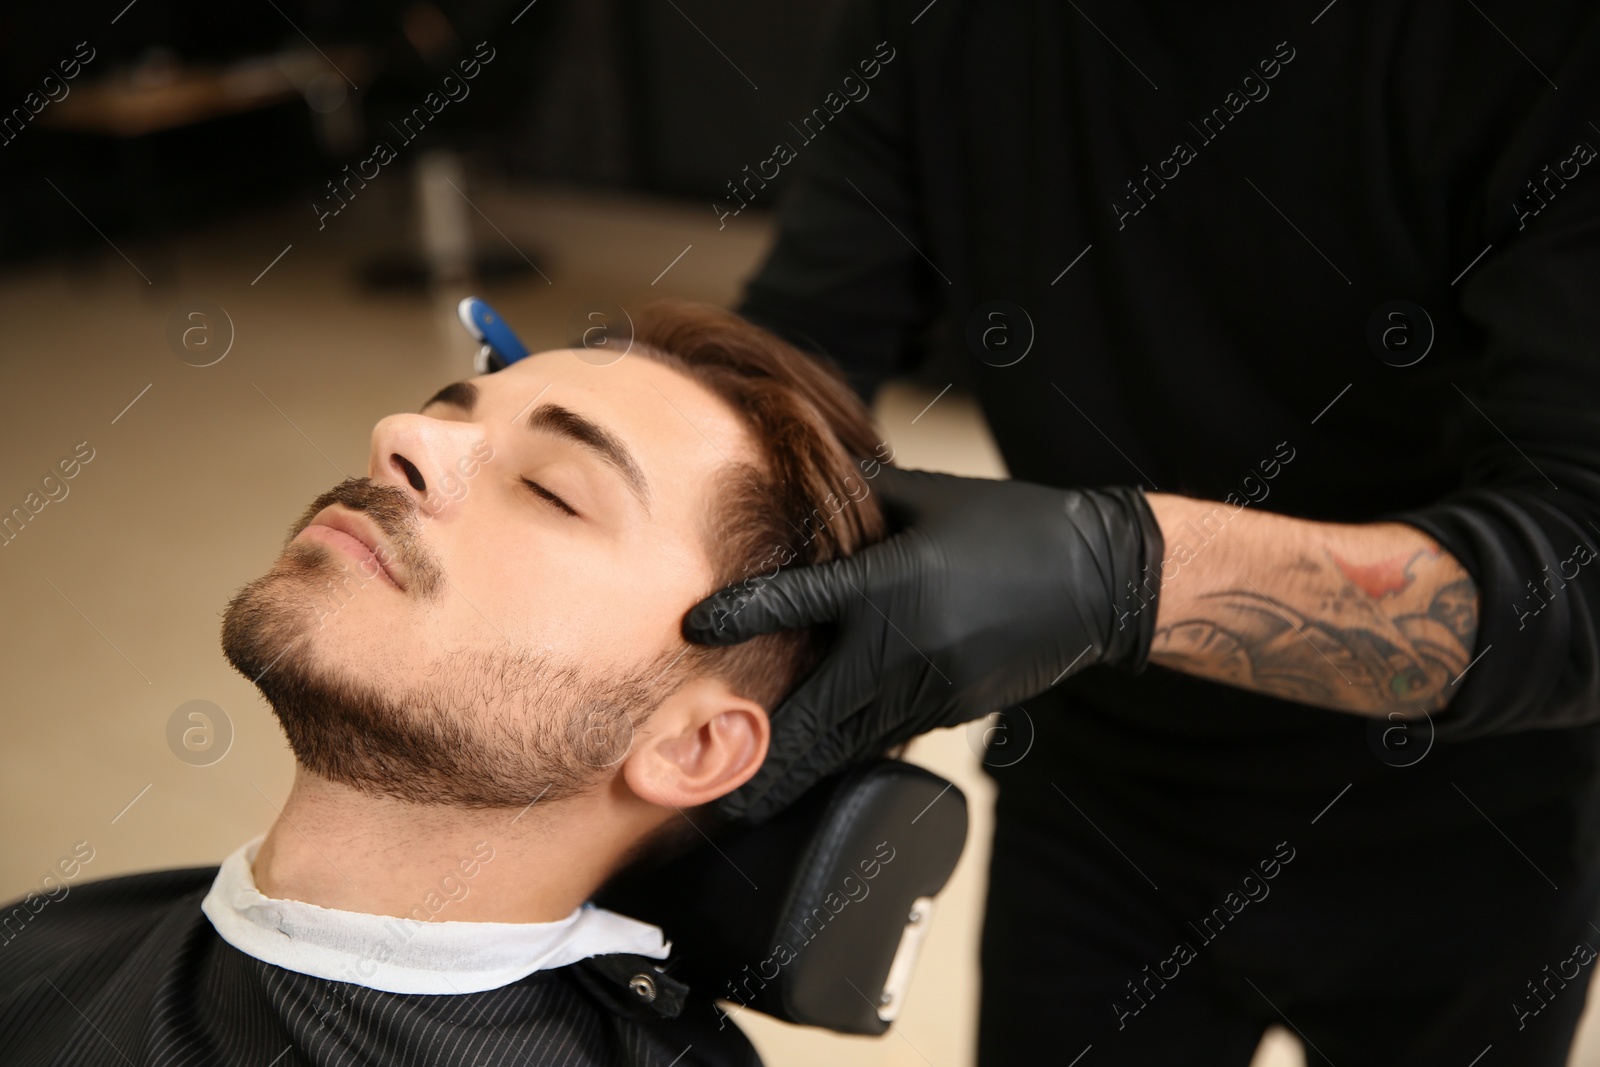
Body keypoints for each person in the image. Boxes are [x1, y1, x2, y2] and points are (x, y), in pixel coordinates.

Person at [683, 2, 1600, 1065]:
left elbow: (1573, 575)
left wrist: (1125, 570)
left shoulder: (1542, 46)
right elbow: (801, 352)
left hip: (1462, 836)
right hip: (1099, 803)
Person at [0, 300, 889, 1067]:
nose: (402, 436)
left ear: (689, 745)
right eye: (447, 414)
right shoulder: (41, 945)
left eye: (550, 490)